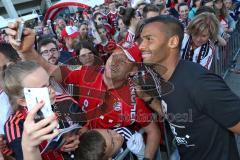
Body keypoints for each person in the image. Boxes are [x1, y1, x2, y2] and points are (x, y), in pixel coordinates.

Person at [5, 22, 161, 160]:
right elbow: (50, 69)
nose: (115, 61)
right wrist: (27, 51)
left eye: (124, 60)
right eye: (115, 54)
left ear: (132, 71)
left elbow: (153, 131)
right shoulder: (86, 72)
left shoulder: (135, 97)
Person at [138, 15, 240, 160]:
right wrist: (148, 98)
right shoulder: (161, 80)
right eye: (141, 39)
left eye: (149, 39)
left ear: (173, 41)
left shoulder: (201, 84)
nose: (141, 46)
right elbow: (177, 116)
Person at [2, 61, 82, 160]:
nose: (52, 90)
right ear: (23, 101)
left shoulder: (66, 101)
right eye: (43, 89)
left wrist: (77, 137)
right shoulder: (14, 125)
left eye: (50, 83)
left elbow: (84, 127)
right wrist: (30, 147)